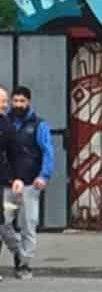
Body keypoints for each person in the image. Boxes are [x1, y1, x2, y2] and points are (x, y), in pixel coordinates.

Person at [5, 86, 53, 279]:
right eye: (15, 101)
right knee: (4, 224)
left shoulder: (39, 125)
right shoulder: (5, 122)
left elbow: (47, 151)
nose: (18, 105)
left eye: (22, 101)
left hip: (30, 184)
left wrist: (44, 175)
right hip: (7, 183)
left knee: (28, 225)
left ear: (29, 102)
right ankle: (18, 252)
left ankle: (24, 264)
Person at [0, 87, 26, 283]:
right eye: (2, 101)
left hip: (3, 182)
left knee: (3, 225)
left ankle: (19, 254)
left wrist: (17, 177)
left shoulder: (6, 125)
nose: (5, 105)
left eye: (5, 101)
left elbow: (16, 153)